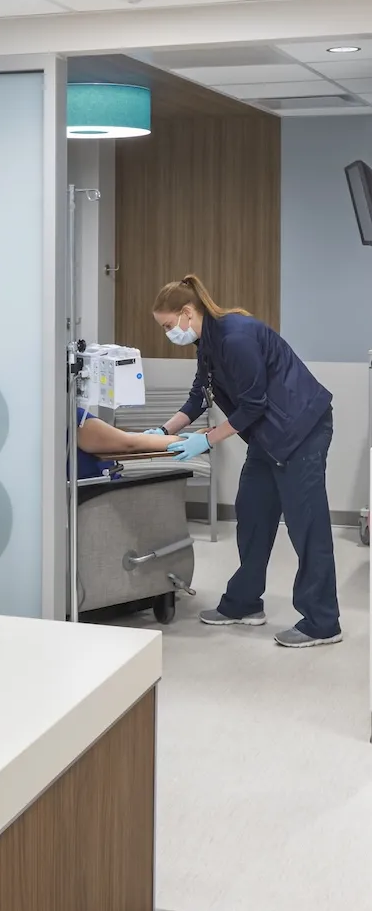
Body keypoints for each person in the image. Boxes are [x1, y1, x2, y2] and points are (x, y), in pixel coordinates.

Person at [150, 275, 340, 648]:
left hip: (301, 431)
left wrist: (204, 440)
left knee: (307, 526)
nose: (168, 333)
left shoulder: (236, 338)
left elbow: (254, 405)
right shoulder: (207, 343)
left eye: (169, 326)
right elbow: (198, 397)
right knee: (251, 514)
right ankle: (243, 602)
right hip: (268, 436)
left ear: (188, 312)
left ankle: (322, 622)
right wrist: (162, 431)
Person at [75, 405, 174, 480]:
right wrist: (183, 440)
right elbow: (131, 444)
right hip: (97, 493)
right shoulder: (78, 419)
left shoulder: (69, 419)